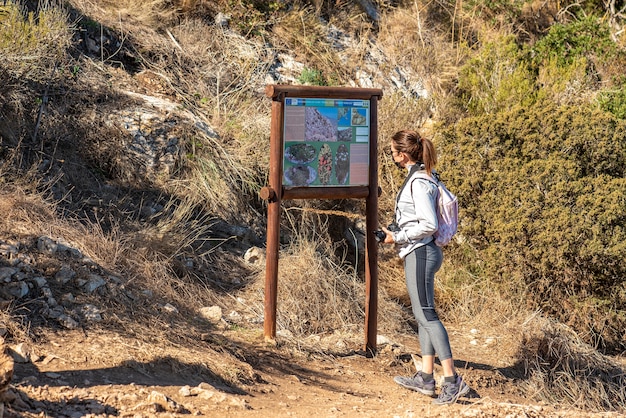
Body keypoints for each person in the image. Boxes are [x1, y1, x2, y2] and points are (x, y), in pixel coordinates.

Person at [380, 129, 469, 405]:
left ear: (402, 155)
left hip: (420, 253)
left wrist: (399, 236)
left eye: (393, 152)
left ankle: (453, 381)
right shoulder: (424, 177)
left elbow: (428, 224)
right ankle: (426, 378)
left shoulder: (418, 182)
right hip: (424, 252)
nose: (391, 156)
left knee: (428, 316)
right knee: (422, 315)